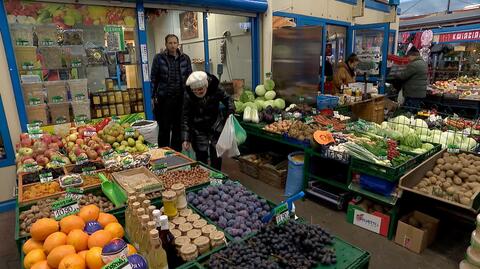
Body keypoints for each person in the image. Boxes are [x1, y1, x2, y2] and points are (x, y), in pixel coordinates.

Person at [181, 71, 235, 170]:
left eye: (200, 89)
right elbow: (185, 117)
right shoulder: (188, 94)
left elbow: (228, 99)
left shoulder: (215, 87)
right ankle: (204, 179)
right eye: (195, 90)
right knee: (201, 156)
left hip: (215, 124)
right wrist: (186, 138)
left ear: (206, 85)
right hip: (198, 128)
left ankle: (217, 177)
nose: (198, 92)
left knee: (216, 154)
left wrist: (230, 112)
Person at [150, 34, 192, 151]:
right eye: (170, 43)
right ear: (166, 44)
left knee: (178, 128)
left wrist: (189, 97)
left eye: (175, 43)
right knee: (164, 128)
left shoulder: (185, 58)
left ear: (178, 44)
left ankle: (176, 154)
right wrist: (153, 97)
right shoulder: (159, 58)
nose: (173, 45)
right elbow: (154, 78)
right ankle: (163, 153)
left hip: (180, 99)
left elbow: (190, 78)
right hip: (164, 99)